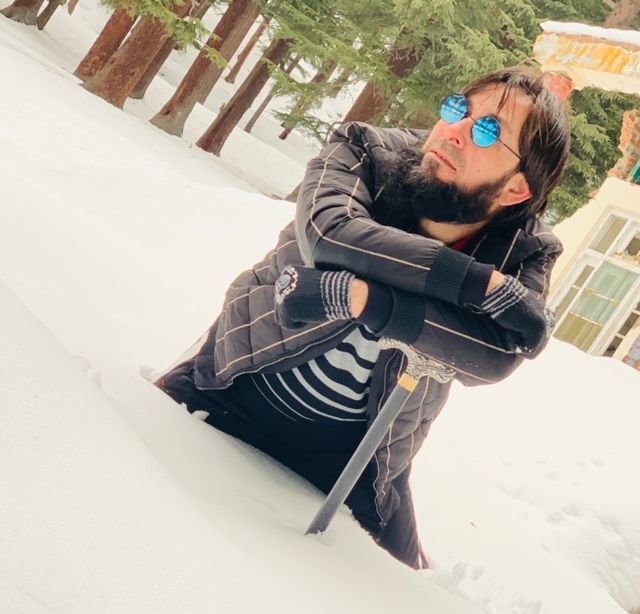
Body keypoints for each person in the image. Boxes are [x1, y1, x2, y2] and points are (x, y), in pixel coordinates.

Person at [156, 66, 571, 570]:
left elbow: (495, 356)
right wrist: (478, 285)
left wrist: (363, 300)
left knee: (403, 595)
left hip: (357, 466)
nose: (454, 130)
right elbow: (330, 235)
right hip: (229, 386)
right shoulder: (365, 150)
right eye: (458, 109)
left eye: (487, 131)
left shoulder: (528, 252)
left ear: (515, 190)